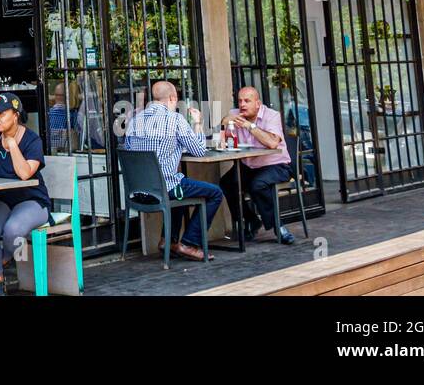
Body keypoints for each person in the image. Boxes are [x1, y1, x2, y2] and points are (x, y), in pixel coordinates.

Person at [121, 80, 222, 262]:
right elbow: (199, 150)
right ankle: (189, 243)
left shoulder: (135, 121)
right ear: (173, 98)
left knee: (181, 185)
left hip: (138, 191)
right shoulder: (174, 119)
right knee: (214, 193)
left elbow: (131, 151)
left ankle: (168, 241)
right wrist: (198, 124)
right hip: (165, 190)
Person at [0, 92, 50, 295]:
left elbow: (25, 174)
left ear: (16, 114)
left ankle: (2, 259)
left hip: (33, 199)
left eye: (1, 113)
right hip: (5, 198)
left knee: (12, 230)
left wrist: (13, 144)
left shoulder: (32, 140)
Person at [220, 86, 295, 244]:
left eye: (247, 101)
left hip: (276, 164)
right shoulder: (235, 114)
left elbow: (272, 143)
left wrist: (250, 126)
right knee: (227, 183)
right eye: (240, 101)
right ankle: (250, 220)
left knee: (258, 185)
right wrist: (224, 123)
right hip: (249, 165)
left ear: (258, 103)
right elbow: (221, 128)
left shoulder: (272, 116)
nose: (242, 104)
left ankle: (278, 227)